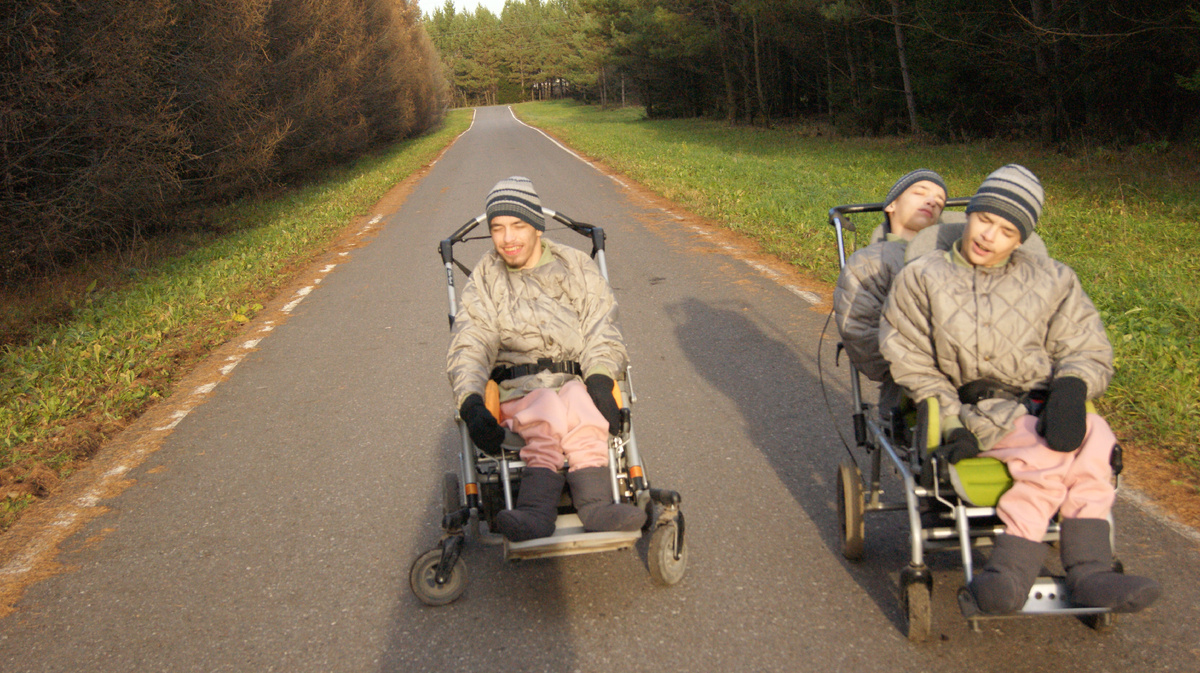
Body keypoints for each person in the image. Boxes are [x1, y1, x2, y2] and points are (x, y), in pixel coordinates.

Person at [879, 164, 1160, 615]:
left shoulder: (1054, 278)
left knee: (1097, 442)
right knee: (1048, 459)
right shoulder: (921, 277)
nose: (989, 237)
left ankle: (1090, 572)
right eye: (985, 220)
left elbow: (1086, 343)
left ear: (1021, 239)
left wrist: (1072, 387)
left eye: (1007, 231)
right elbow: (909, 356)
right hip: (977, 410)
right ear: (969, 214)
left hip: (1042, 399)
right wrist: (950, 421)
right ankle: (1013, 572)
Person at [446, 176, 646, 542]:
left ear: (537, 225)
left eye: (518, 226)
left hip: (574, 381)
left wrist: (601, 375)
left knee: (581, 408)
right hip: (518, 392)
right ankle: (536, 512)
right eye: (498, 228)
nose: (508, 239)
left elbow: (602, 325)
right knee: (547, 409)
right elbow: (471, 341)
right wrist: (470, 400)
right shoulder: (486, 278)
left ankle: (596, 505)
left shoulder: (574, 267)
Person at [833, 169, 947, 414]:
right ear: (892, 205)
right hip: (916, 378)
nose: (932, 201)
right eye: (920, 193)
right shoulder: (870, 262)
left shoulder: (954, 258)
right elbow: (861, 335)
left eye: (939, 201)